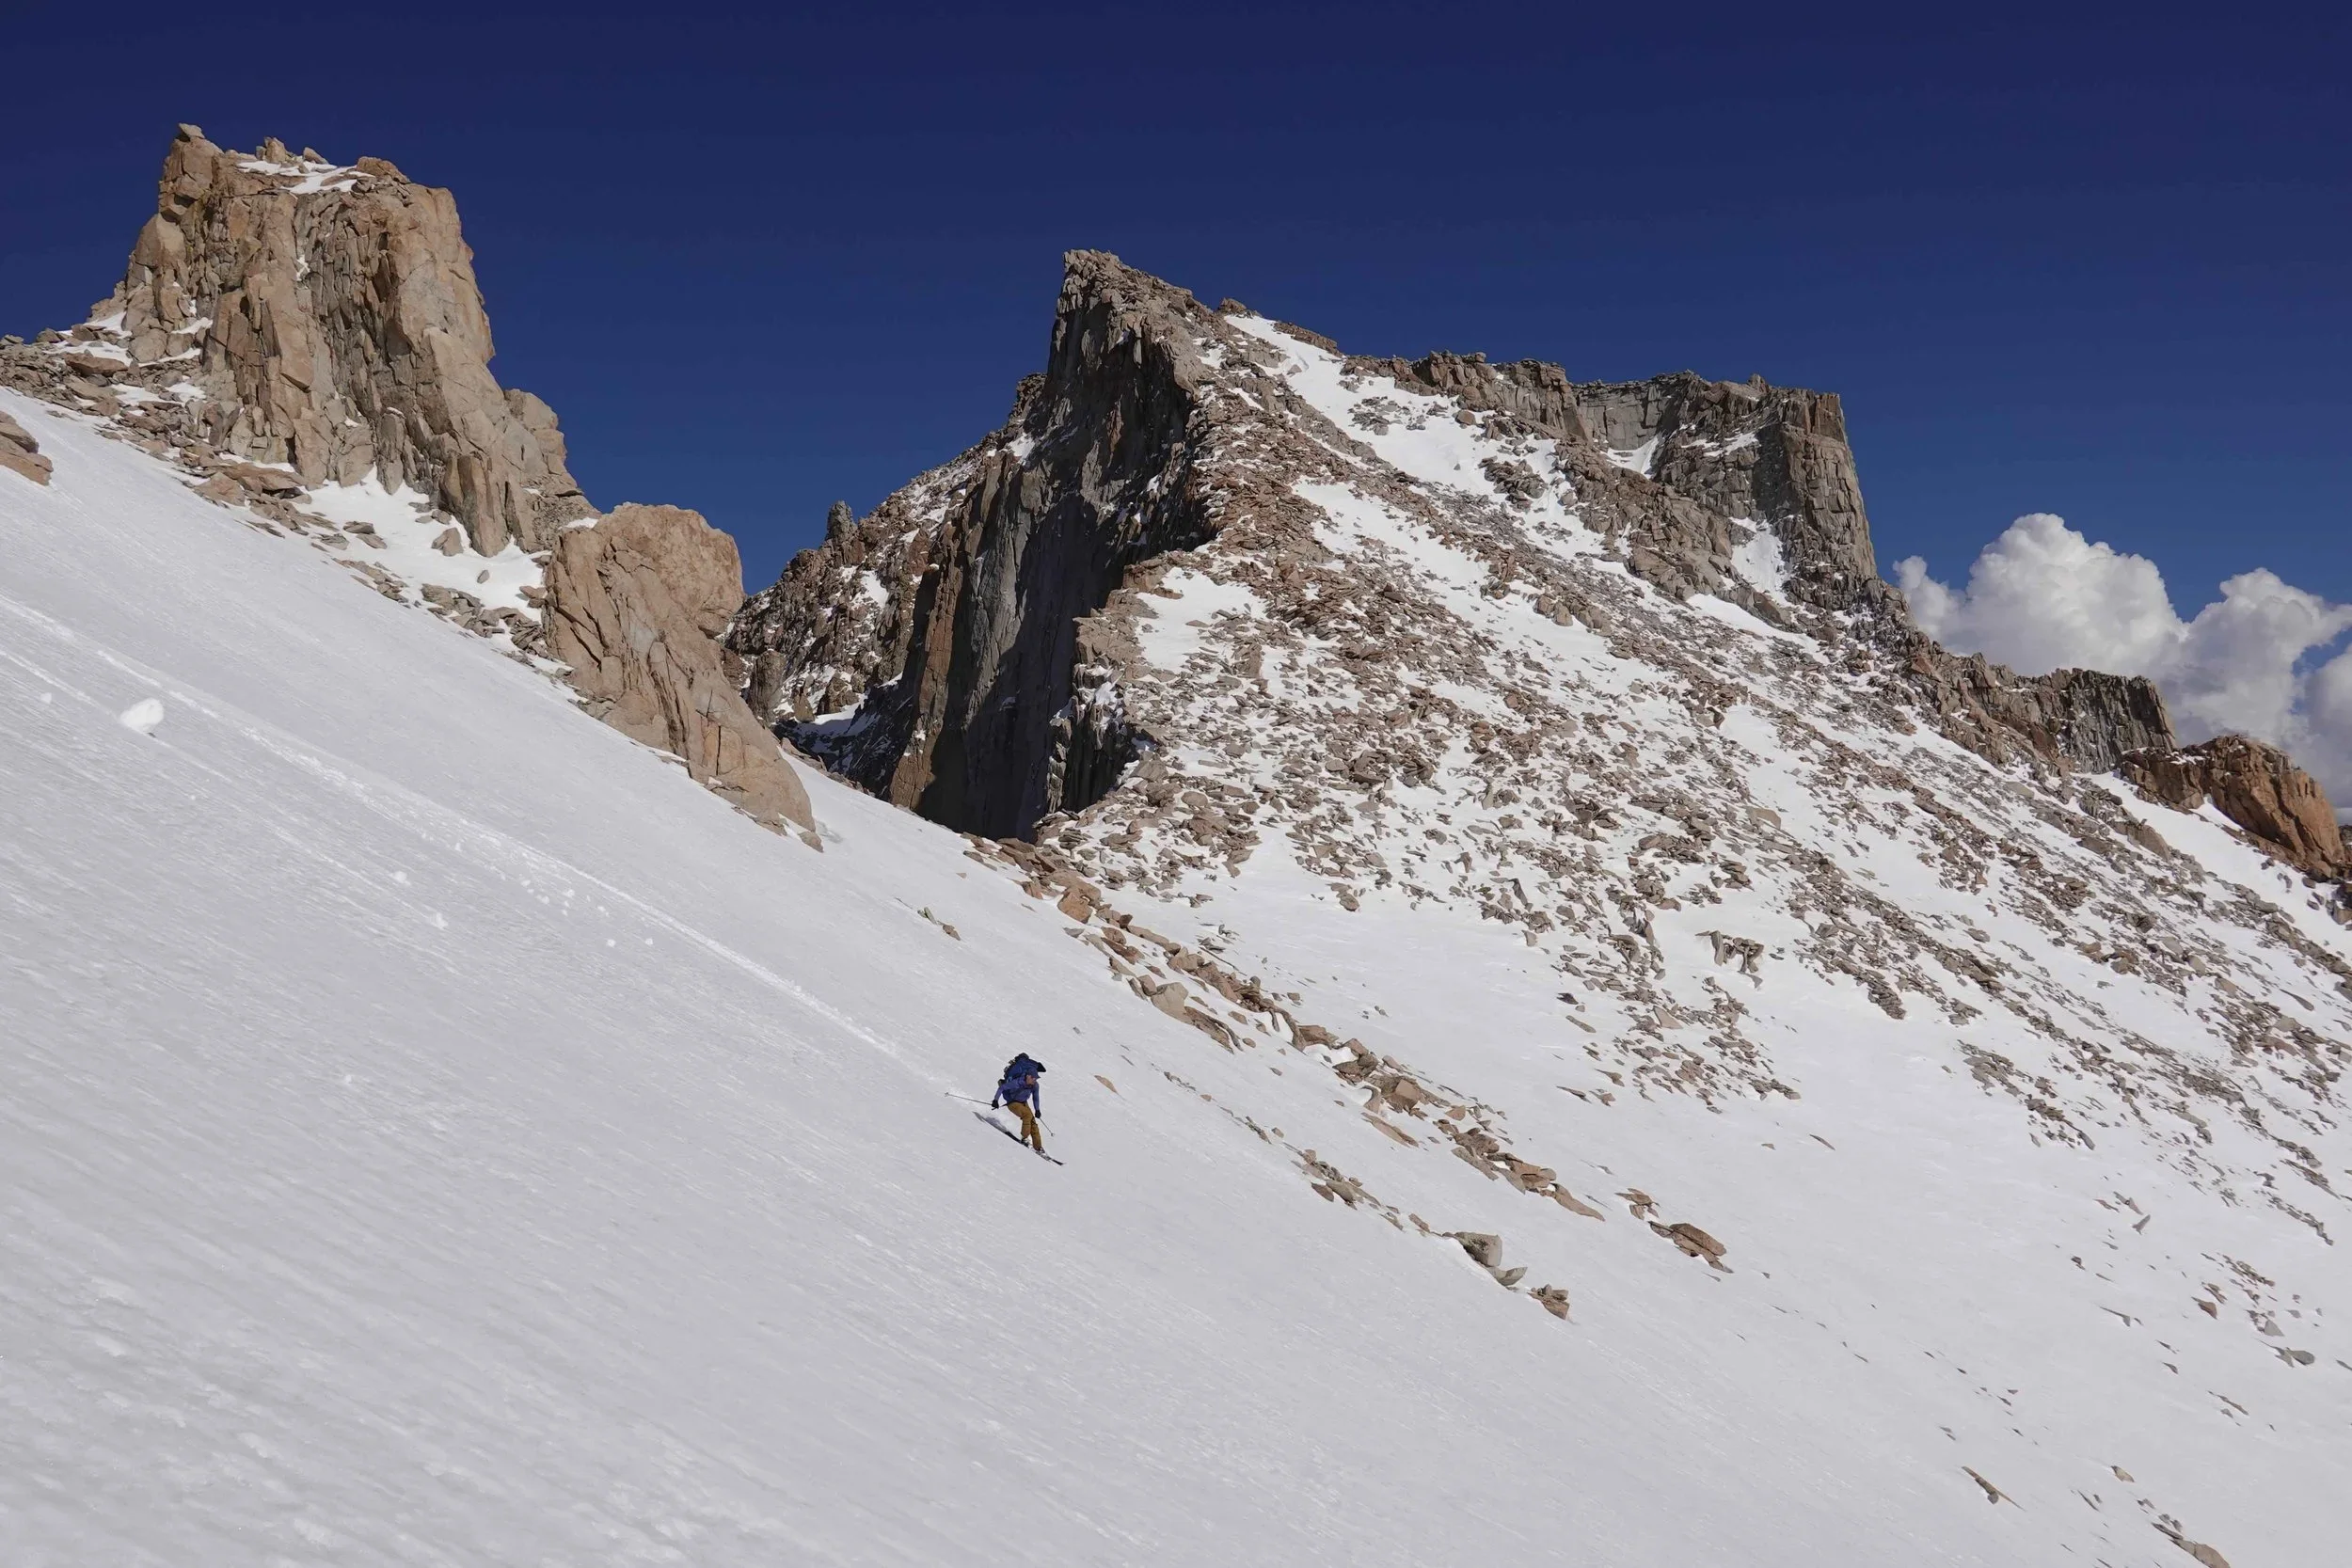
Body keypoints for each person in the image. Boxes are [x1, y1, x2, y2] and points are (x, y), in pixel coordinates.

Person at [992, 1053, 1047, 1154]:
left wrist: (1037, 1110)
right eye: (1033, 1078)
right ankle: (1025, 1138)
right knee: (1027, 1116)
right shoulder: (1018, 1082)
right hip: (1013, 1103)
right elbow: (1002, 1088)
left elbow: (1036, 1098)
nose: (1035, 1080)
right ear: (1028, 1076)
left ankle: (1038, 1147)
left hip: (1023, 1103)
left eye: (1036, 1079)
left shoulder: (1035, 1085)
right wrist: (995, 1100)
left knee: (1033, 1122)